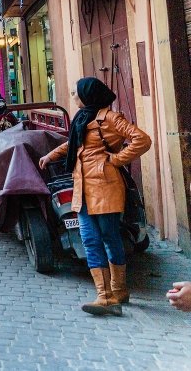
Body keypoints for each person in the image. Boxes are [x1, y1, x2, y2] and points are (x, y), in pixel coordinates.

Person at [39, 77, 151, 316]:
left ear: (88, 95)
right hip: (84, 188)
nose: (73, 96)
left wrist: (114, 160)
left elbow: (142, 140)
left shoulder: (109, 118)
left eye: (76, 93)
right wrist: (50, 156)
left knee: (109, 238)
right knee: (91, 240)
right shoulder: (82, 119)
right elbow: (74, 147)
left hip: (105, 186)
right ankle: (108, 294)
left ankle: (114, 293)